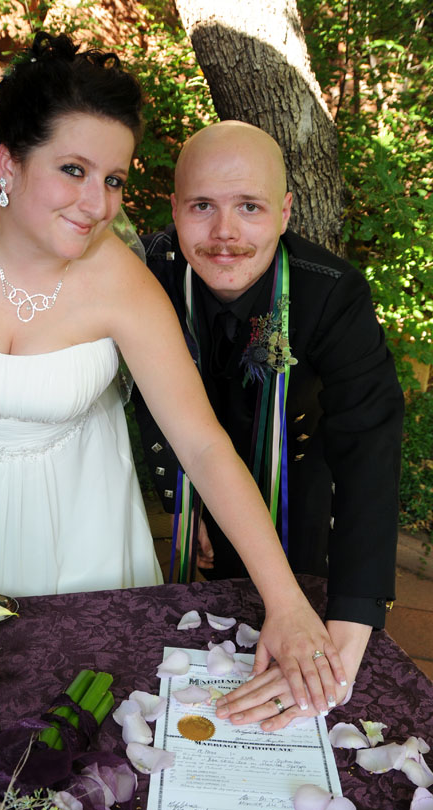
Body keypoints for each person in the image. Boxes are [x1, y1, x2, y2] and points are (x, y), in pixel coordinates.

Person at [0, 33, 346, 717]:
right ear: (9, 162)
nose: (97, 204)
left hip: (68, 523)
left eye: (113, 179)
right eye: (73, 169)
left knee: (58, 713)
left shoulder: (122, 284)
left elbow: (203, 445)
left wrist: (286, 601)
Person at [134, 120, 404, 730]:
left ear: (284, 212)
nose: (224, 233)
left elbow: (369, 448)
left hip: (296, 480)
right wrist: (184, 498)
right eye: (202, 206)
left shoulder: (331, 293)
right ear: (174, 209)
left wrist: (348, 631)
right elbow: (146, 398)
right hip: (196, 478)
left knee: (298, 609)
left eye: (249, 207)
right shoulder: (144, 273)